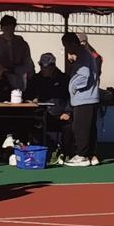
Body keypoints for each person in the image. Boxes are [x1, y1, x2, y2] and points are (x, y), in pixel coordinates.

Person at [62, 32, 100, 167]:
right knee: (89, 128)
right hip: (89, 98)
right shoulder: (85, 54)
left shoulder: (83, 56)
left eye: (66, 46)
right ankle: (91, 155)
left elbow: (84, 76)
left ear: (72, 44)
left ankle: (82, 155)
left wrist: (73, 87)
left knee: (80, 128)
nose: (66, 49)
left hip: (84, 98)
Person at [24, 53, 70, 152]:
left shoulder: (64, 79)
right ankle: (37, 150)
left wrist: (67, 112)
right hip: (40, 114)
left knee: (68, 126)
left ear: (53, 66)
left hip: (59, 114)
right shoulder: (36, 79)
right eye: (41, 66)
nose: (43, 69)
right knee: (27, 122)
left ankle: (65, 152)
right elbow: (27, 95)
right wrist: (31, 101)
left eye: (46, 67)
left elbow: (70, 97)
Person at [0, 15, 35, 92]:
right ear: (2, 28)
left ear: (14, 28)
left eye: (11, 28)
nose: (9, 31)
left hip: (19, 82)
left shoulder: (22, 44)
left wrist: (17, 70)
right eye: (6, 28)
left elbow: (29, 64)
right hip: (1, 82)